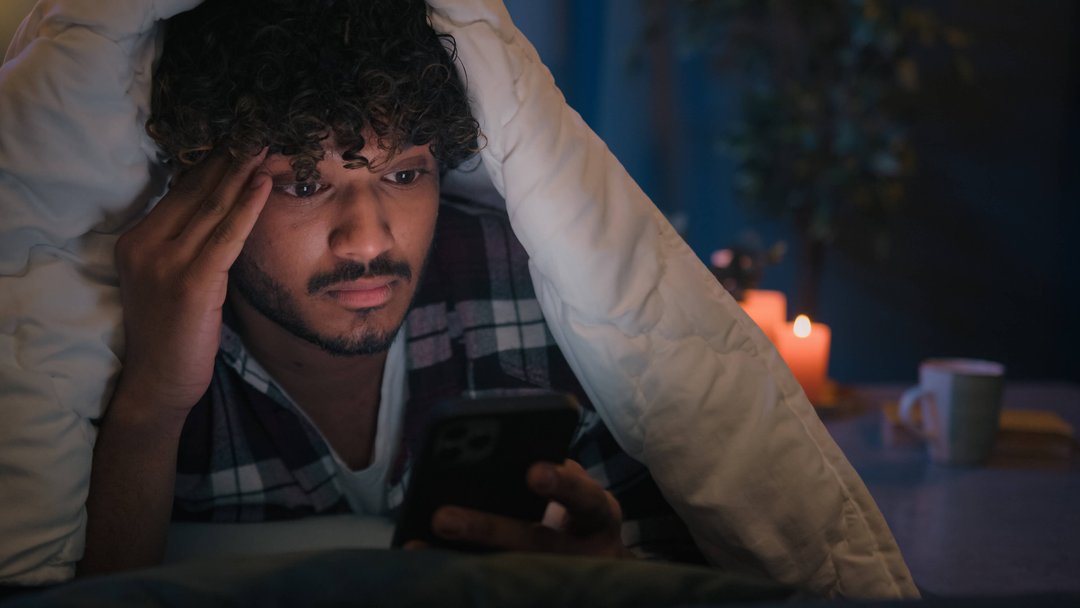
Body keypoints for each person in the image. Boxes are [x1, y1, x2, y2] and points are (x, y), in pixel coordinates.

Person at [79, 0, 697, 574]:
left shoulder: (534, 277)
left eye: (403, 174)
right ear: (201, 187)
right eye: (303, 184)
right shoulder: (118, 322)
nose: (368, 241)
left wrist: (609, 575)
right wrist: (154, 403)